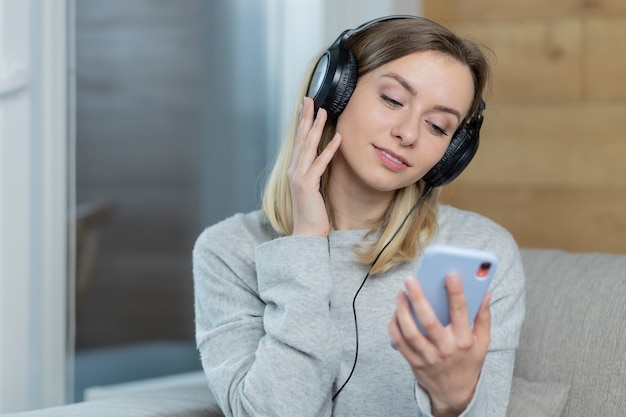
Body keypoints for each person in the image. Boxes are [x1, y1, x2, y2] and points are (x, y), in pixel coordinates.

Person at [193, 15, 525, 417]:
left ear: (452, 154)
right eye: (392, 99)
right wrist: (307, 245)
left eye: (438, 126)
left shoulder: (478, 249)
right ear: (334, 91)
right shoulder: (228, 251)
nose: (409, 133)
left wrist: (454, 402)